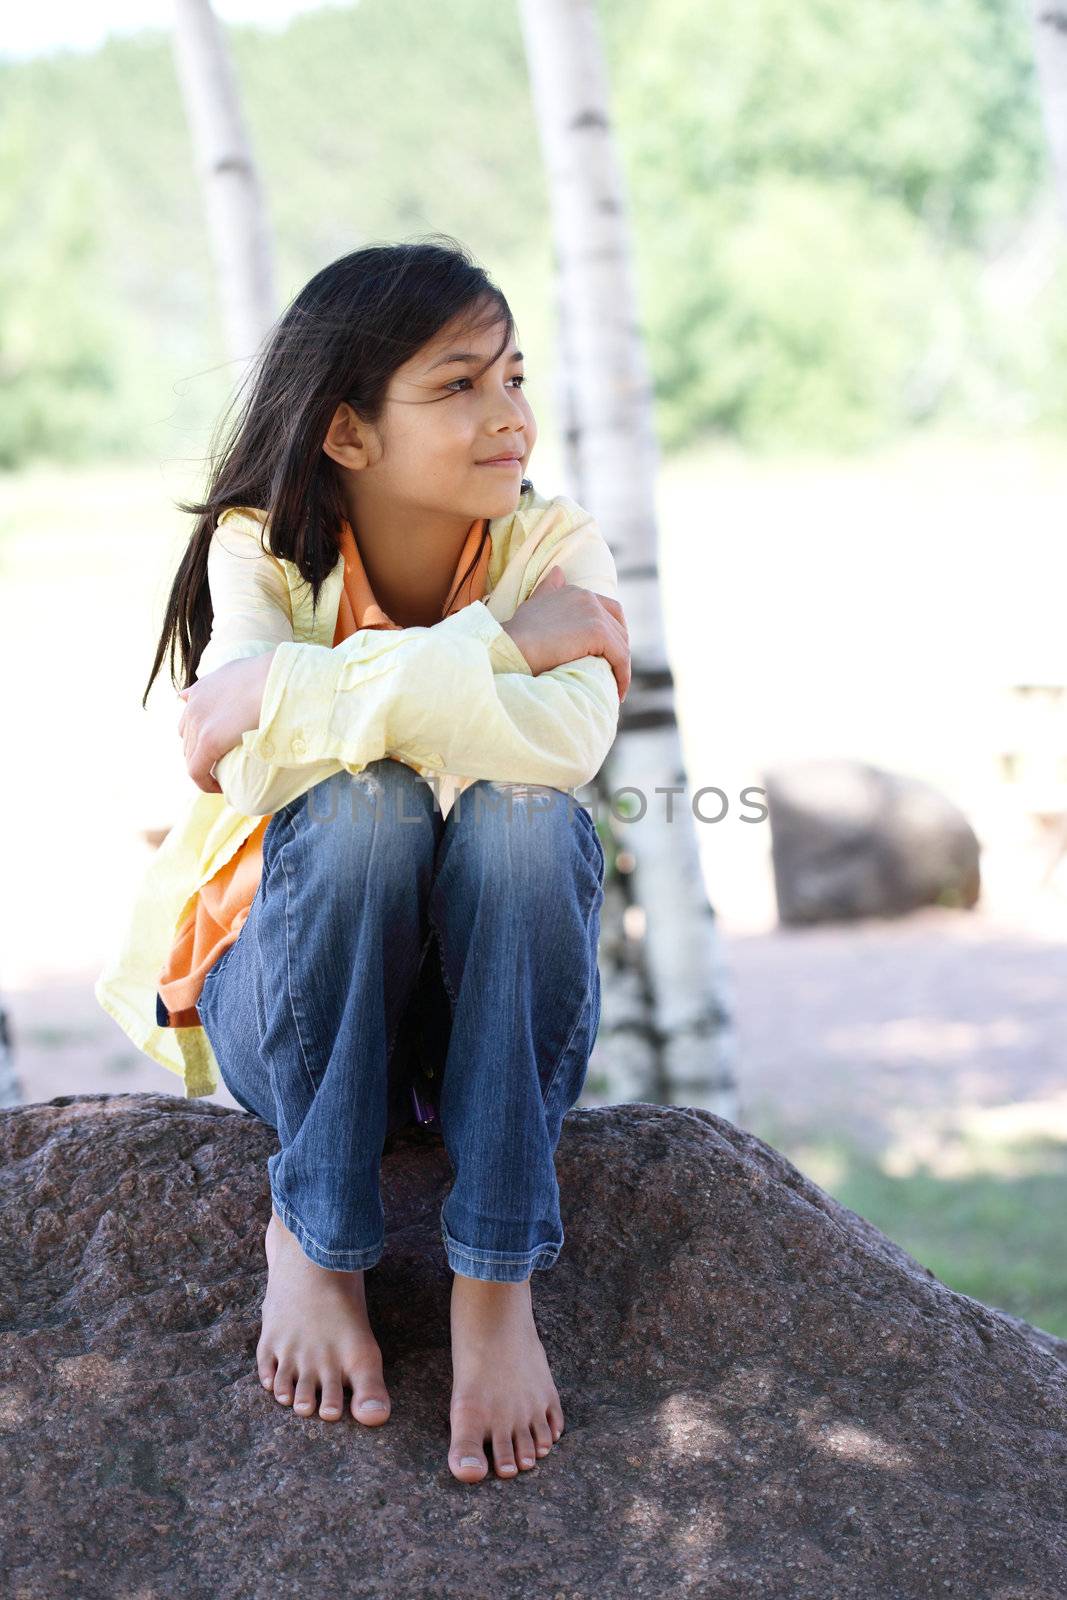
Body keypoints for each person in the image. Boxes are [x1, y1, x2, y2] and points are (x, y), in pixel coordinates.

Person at [95, 237, 630, 1486]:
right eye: (459, 386)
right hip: (289, 999)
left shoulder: (559, 548)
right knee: (359, 811)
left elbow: (562, 746)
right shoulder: (261, 551)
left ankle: (493, 1283)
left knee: (521, 818)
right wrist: (500, 643)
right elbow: (248, 770)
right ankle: (316, 1232)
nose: (510, 416)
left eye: (513, 377)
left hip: (470, 1026)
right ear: (347, 433)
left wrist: (291, 691)